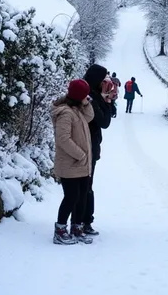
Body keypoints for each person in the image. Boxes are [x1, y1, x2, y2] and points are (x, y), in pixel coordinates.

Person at [51, 78, 95, 245]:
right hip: (70, 164)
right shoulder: (66, 113)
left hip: (81, 165)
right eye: (85, 95)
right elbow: (63, 139)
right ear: (78, 96)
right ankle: (60, 230)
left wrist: (86, 102)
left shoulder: (77, 109)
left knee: (82, 196)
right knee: (71, 197)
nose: (87, 97)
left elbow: (90, 116)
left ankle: (77, 227)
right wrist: (81, 155)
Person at [82, 63, 112, 235]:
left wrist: (106, 99)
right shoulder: (89, 98)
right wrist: (105, 100)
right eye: (103, 80)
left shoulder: (91, 95)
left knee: (86, 185)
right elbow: (104, 122)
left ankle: (83, 221)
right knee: (86, 185)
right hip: (87, 147)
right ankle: (84, 222)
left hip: (90, 145)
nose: (105, 83)